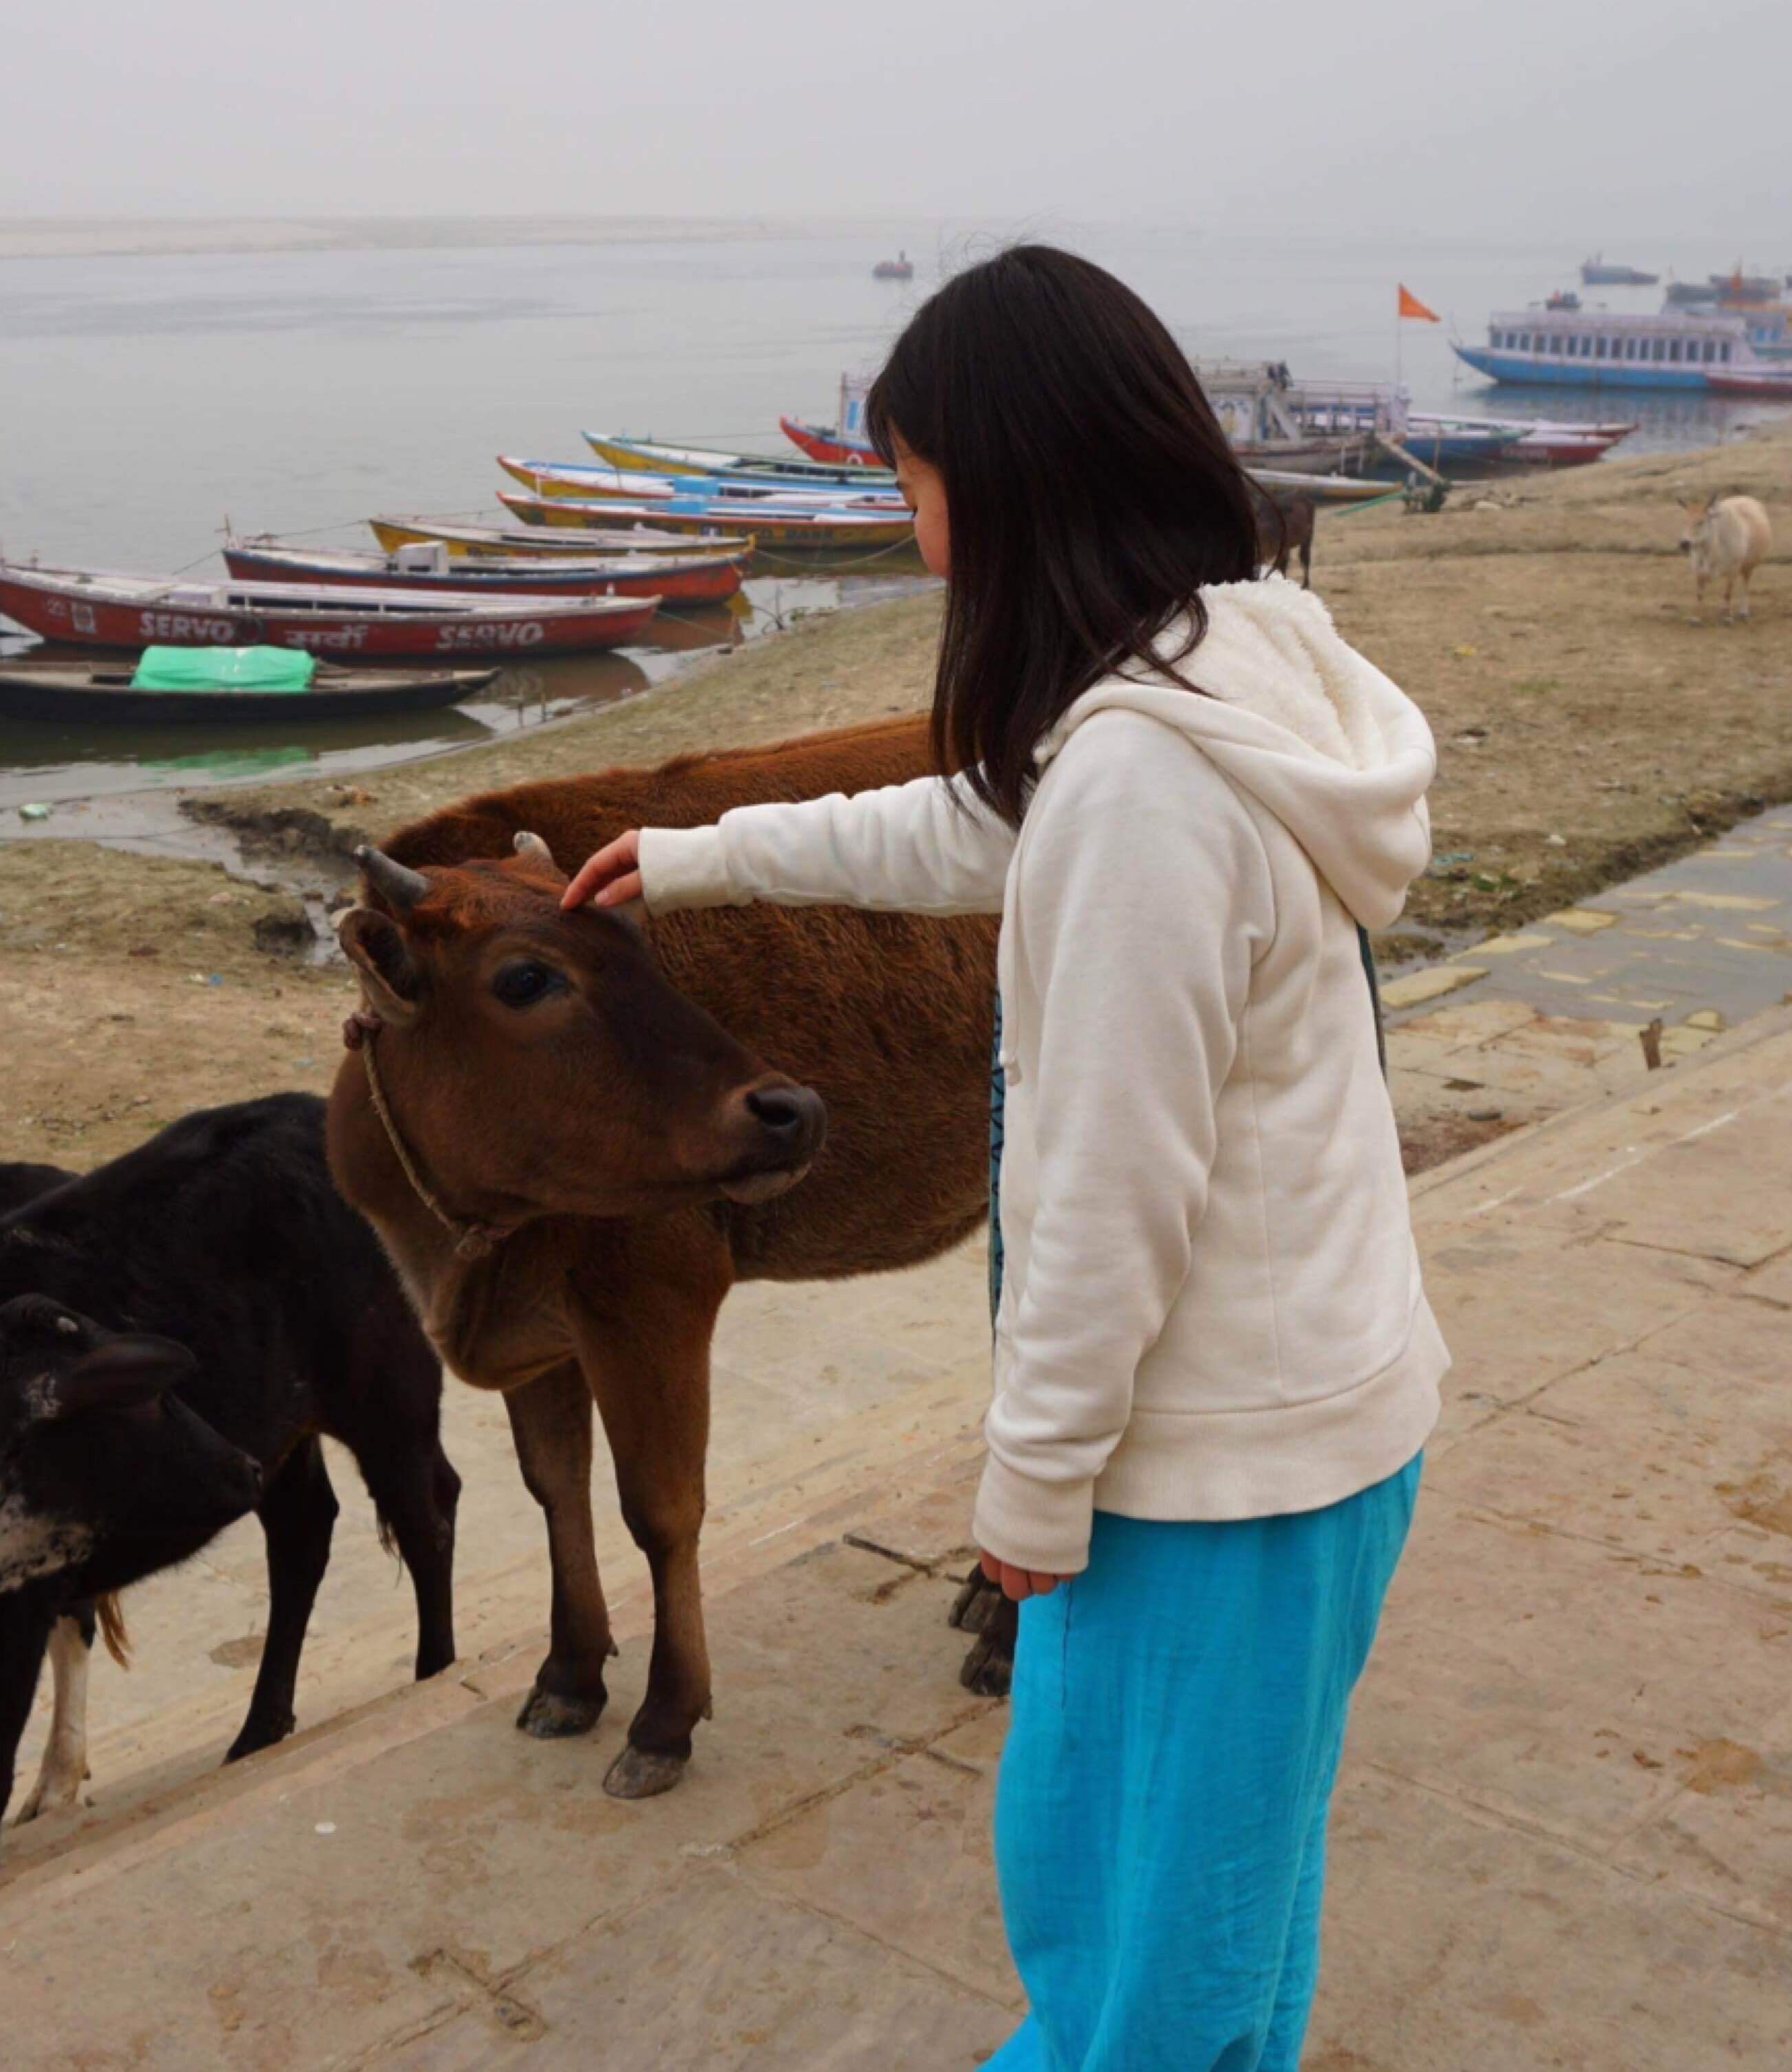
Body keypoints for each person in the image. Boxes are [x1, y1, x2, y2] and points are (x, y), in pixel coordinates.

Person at [558, 243, 1442, 2071]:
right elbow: (992, 819)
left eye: (912, 477)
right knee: (1227, 1930)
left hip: (1216, 1486)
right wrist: (706, 855)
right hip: (1331, 1430)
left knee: (1136, 1975)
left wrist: (1027, 1501)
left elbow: (1106, 1195)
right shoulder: (1238, 660)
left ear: (1009, 476)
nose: (904, 520)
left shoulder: (1147, 785)